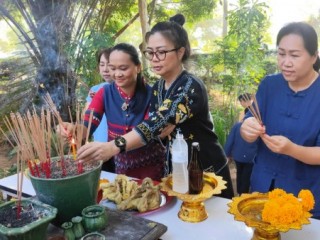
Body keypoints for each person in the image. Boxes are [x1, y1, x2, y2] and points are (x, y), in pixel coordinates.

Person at [76, 14, 234, 199]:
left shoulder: (190, 86)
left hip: (205, 171)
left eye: (161, 52)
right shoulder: (159, 88)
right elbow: (157, 129)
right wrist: (157, 127)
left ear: (180, 52)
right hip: (175, 170)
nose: (154, 59)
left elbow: (156, 123)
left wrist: (114, 146)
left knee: (211, 224)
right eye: (150, 53)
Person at [240, 22, 320, 218]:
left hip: (303, 194)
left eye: (294, 55)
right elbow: (251, 121)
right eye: (281, 53)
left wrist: (291, 149)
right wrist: (247, 129)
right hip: (262, 186)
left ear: (314, 56)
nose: (285, 62)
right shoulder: (270, 85)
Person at [61, 43, 166, 180]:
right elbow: (86, 127)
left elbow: (149, 133)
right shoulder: (104, 93)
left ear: (138, 67)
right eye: (112, 68)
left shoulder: (153, 95)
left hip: (151, 172)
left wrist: (111, 147)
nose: (117, 74)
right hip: (120, 171)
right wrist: (72, 129)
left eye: (123, 68)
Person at [85, 48, 112, 142]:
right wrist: (95, 101)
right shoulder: (94, 89)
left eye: (109, 64)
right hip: (99, 143)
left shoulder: (126, 88)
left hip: (120, 146)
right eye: (102, 64)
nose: (105, 69)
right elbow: (85, 118)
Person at [224, 120, 257, 195]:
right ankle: (243, 193)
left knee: (239, 173)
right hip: (250, 157)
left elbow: (230, 140)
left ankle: (239, 192)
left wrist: (226, 154)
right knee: (246, 176)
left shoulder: (237, 126)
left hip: (238, 156)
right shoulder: (257, 128)